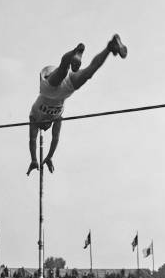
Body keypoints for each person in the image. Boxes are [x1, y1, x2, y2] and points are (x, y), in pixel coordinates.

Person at [27, 34, 128, 176]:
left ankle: (75, 53)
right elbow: (55, 139)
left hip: (48, 89)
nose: (45, 126)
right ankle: (110, 47)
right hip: (65, 91)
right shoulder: (57, 117)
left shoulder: (34, 117)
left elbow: (32, 140)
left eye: (43, 127)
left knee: (62, 71)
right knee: (89, 73)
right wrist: (49, 157)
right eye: (47, 127)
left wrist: (33, 159)